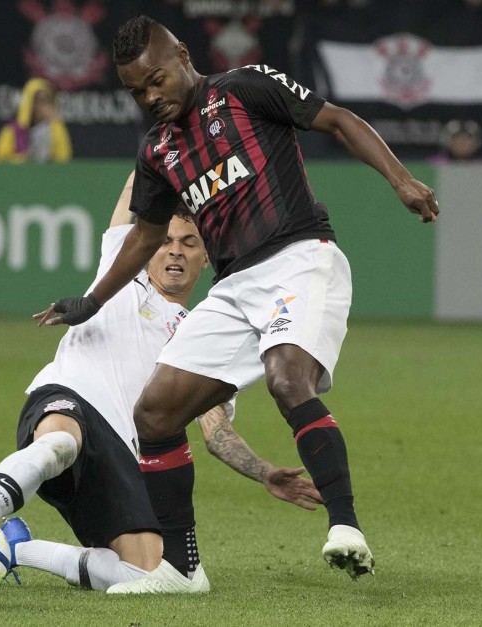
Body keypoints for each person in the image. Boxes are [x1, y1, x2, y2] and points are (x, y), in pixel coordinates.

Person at [37, 15, 439, 588]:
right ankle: (179, 568)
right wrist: (92, 301)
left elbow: (339, 120)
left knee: (285, 376)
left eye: (156, 80)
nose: (150, 97)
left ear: (181, 53)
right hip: (232, 287)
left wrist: (399, 179)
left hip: (299, 256)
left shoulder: (244, 88)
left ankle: (345, 525)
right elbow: (146, 235)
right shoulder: (158, 151)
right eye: (136, 92)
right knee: (155, 413)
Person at [0, 173, 321, 595]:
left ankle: (17, 550)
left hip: (120, 456)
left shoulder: (205, 338)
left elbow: (216, 432)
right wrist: (173, 144)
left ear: (207, 258)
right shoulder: (119, 273)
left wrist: (265, 472)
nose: (175, 251)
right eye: (165, 241)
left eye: (189, 243)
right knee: (59, 445)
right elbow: (134, 187)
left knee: (151, 575)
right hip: (68, 401)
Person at [0, 78, 72, 164]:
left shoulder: (54, 128)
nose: (43, 106)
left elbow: (64, 158)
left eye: (47, 101)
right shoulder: (12, 130)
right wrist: (19, 159)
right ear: (29, 102)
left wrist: (56, 123)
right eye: (39, 101)